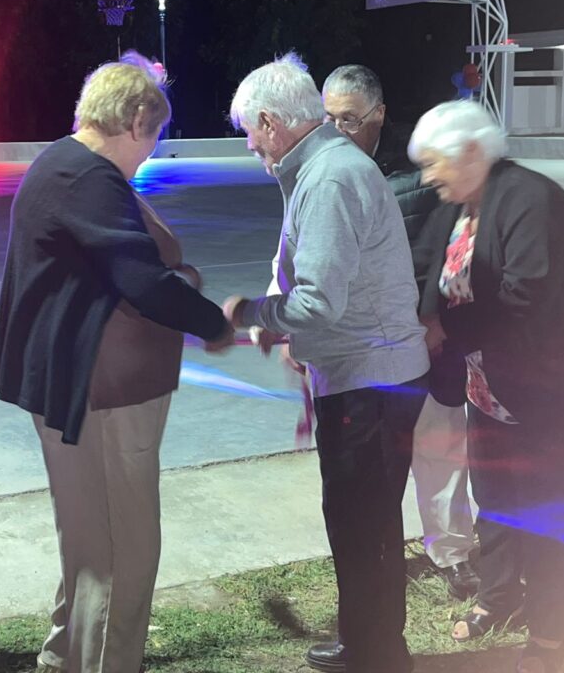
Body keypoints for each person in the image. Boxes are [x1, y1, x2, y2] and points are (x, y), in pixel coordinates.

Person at [0, 51, 234, 673]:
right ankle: (106, 661)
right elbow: (143, 281)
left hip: (69, 385)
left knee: (86, 533)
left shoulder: (57, 162)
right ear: (136, 121)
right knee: (122, 545)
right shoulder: (89, 178)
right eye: (153, 138)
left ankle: (67, 649)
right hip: (104, 392)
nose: (149, 155)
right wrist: (216, 323)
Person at [411, 100, 564, 673]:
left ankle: (552, 627)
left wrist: (444, 328)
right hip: (489, 386)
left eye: (434, 162)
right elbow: (427, 269)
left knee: (545, 512)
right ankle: (500, 596)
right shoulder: (460, 203)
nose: (427, 176)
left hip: (552, 389)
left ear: (470, 153)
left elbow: (523, 298)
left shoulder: (528, 200)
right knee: (496, 499)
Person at [223, 52, 429, 673]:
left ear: (270, 121)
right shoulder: (323, 168)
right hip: (364, 374)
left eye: (250, 132)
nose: (251, 146)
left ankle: (378, 655)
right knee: (358, 520)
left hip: (371, 380)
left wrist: (254, 313)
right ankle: (366, 642)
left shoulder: (329, 179)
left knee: (364, 524)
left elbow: (317, 302)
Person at [322, 64, 479, 604]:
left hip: (425, 338)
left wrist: (433, 319)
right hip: (364, 349)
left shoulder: (419, 171)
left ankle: (452, 552)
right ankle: (380, 552)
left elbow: (446, 251)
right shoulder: (324, 173)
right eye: (329, 118)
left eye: (349, 119)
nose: (338, 130)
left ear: (379, 114)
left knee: (440, 447)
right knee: (377, 464)